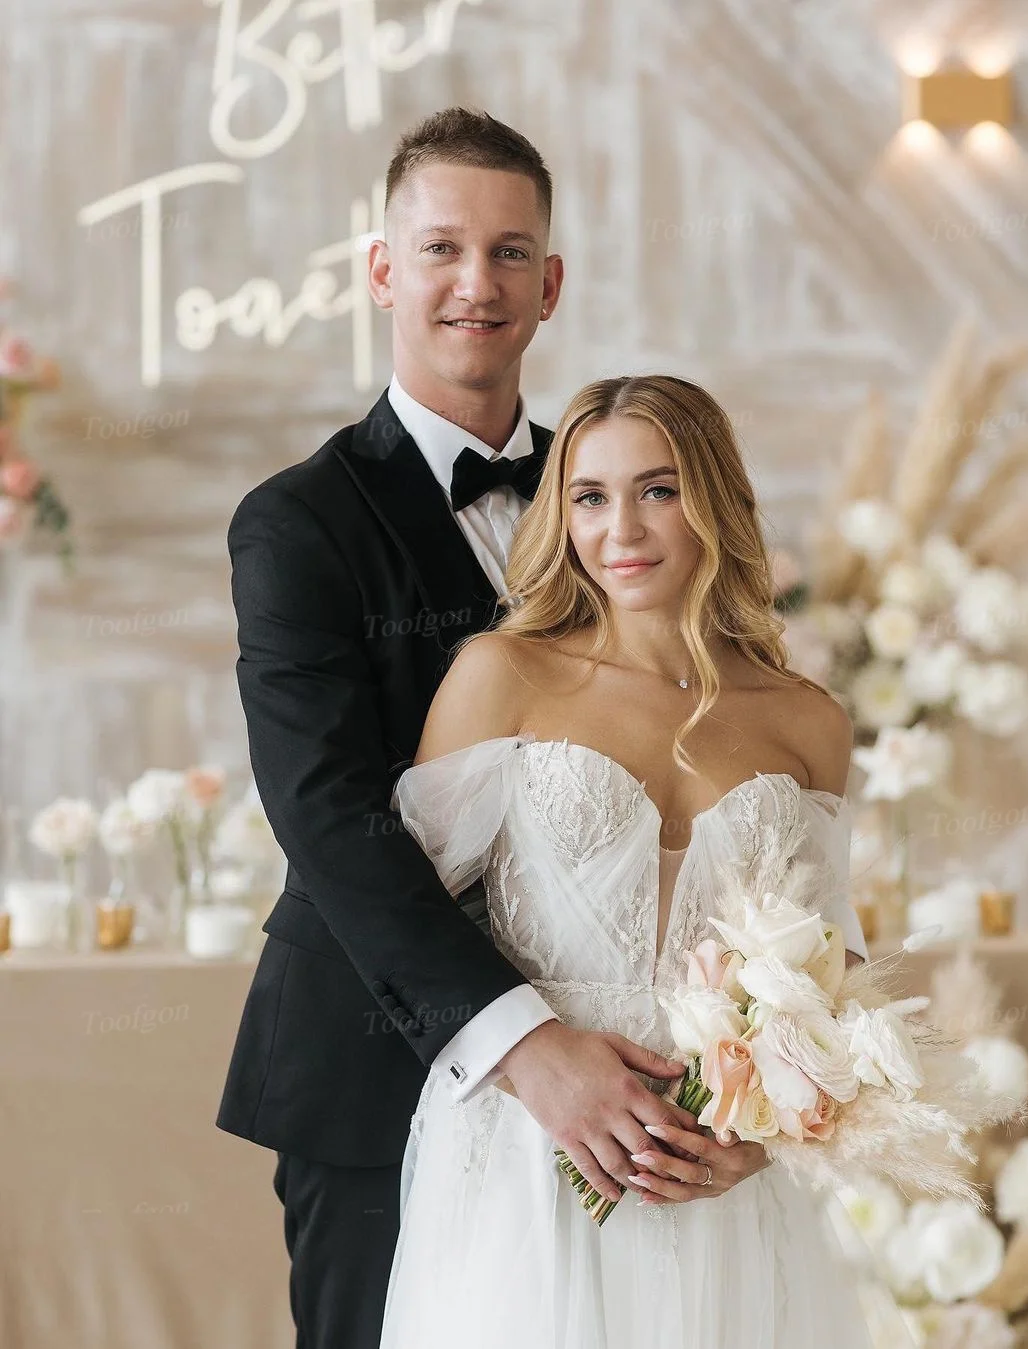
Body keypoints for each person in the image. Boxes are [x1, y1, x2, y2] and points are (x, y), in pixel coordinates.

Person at [216, 109, 740, 1349]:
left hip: (629, 1073)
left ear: (550, 285)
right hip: (375, 1070)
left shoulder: (624, 487)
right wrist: (527, 1045)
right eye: (442, 248)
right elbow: (331, 816)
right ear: (384, 270)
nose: (477, 283)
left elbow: (697, 732)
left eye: (512, 253)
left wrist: (741, 1055)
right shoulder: (296, 524)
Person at [377, 374, 873, 1348]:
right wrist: (523, 1060)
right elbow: (402, 916)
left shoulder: (808, 717)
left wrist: (769, 1132)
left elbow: (833, 967)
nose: (623, 529)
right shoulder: (503, 676)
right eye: (590, 496)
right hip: (533, 1143)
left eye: (659, 488)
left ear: (716, 499)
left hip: (716, 1162)